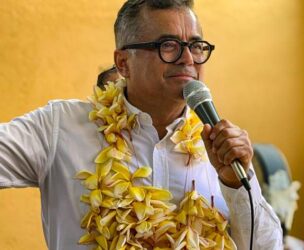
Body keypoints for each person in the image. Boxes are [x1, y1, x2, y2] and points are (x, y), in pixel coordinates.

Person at [0, 0, 283, 249]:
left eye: (196, 46)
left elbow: (266, 246)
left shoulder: (218, 142)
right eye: (168, 45)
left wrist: (235, 182)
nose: (188, 60)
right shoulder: (61, 127)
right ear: (123, 63)